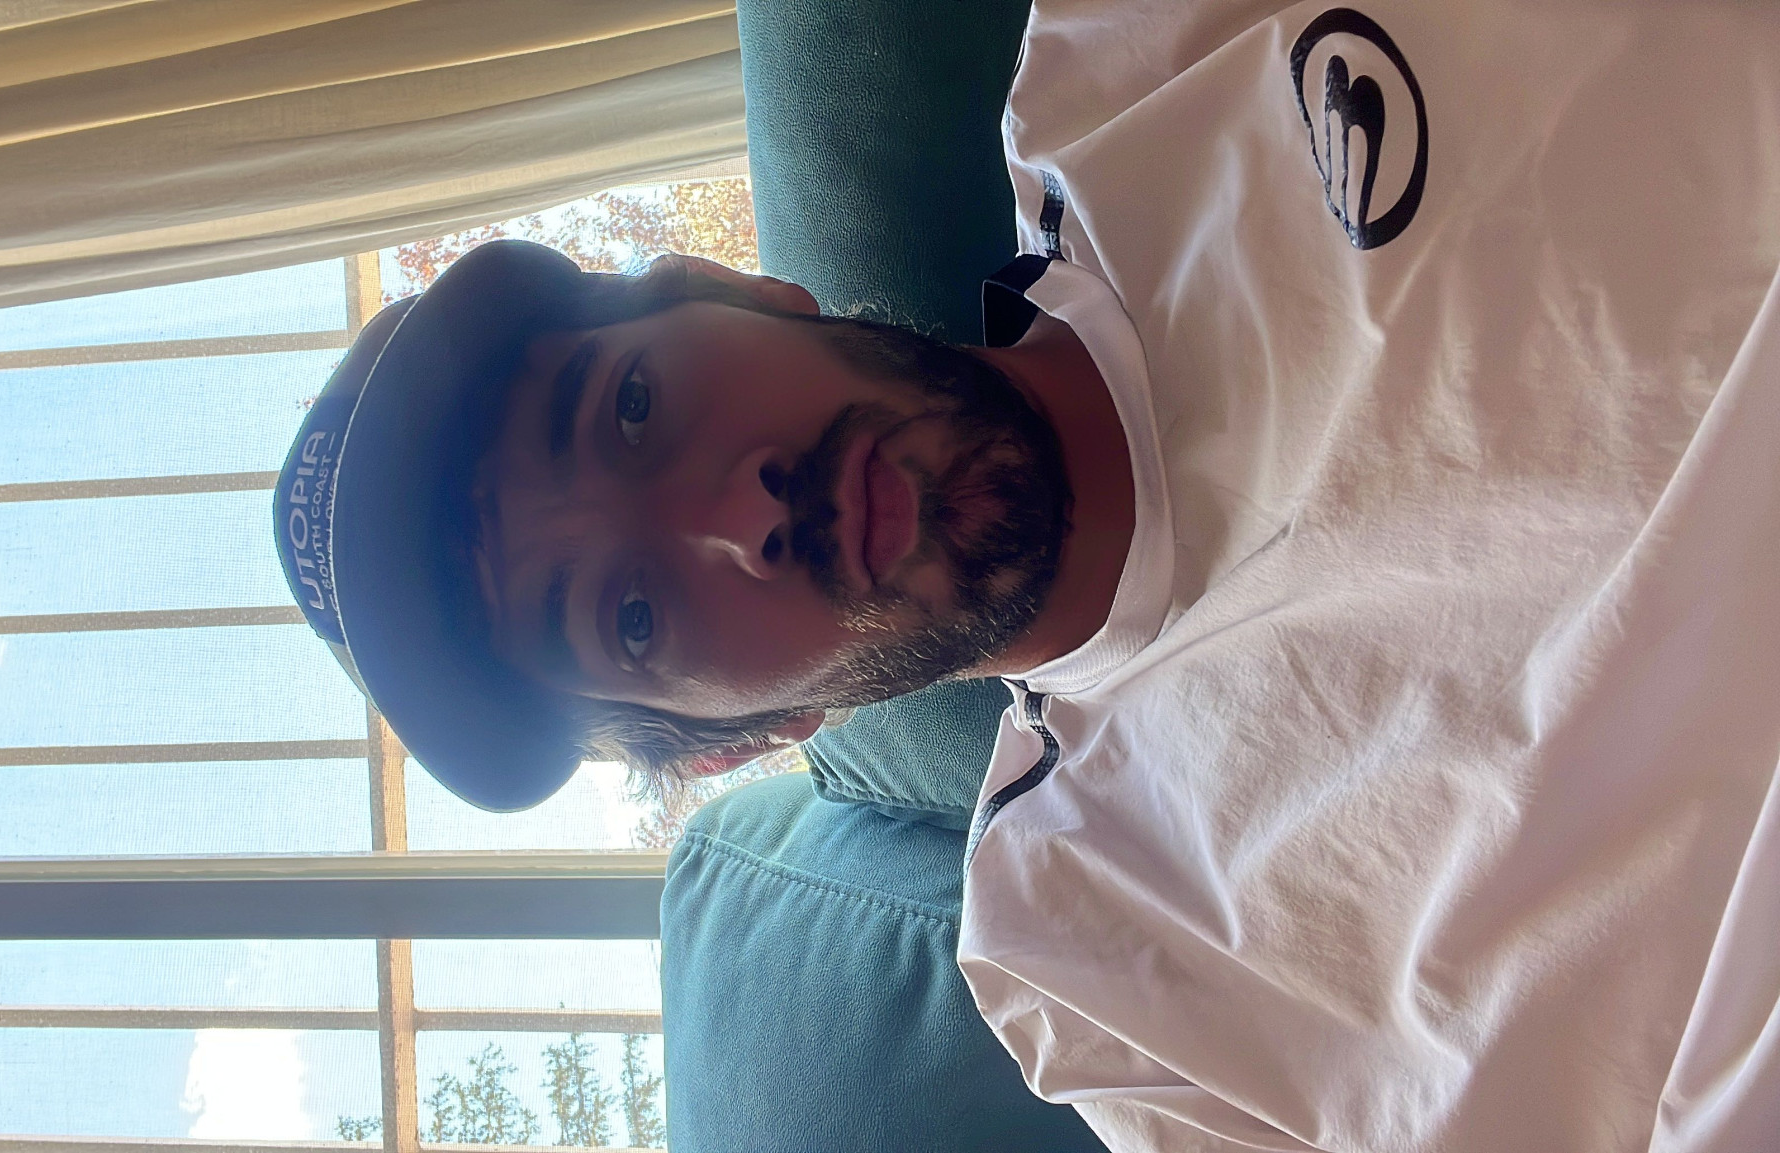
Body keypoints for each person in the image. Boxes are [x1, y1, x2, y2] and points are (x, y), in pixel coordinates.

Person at [275, 0, 1780, 1147]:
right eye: (633, 612)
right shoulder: (1091, 968)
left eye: (631, 408)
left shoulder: (1148, 56)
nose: (741, 514)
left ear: (731, 289)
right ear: (746, 738)